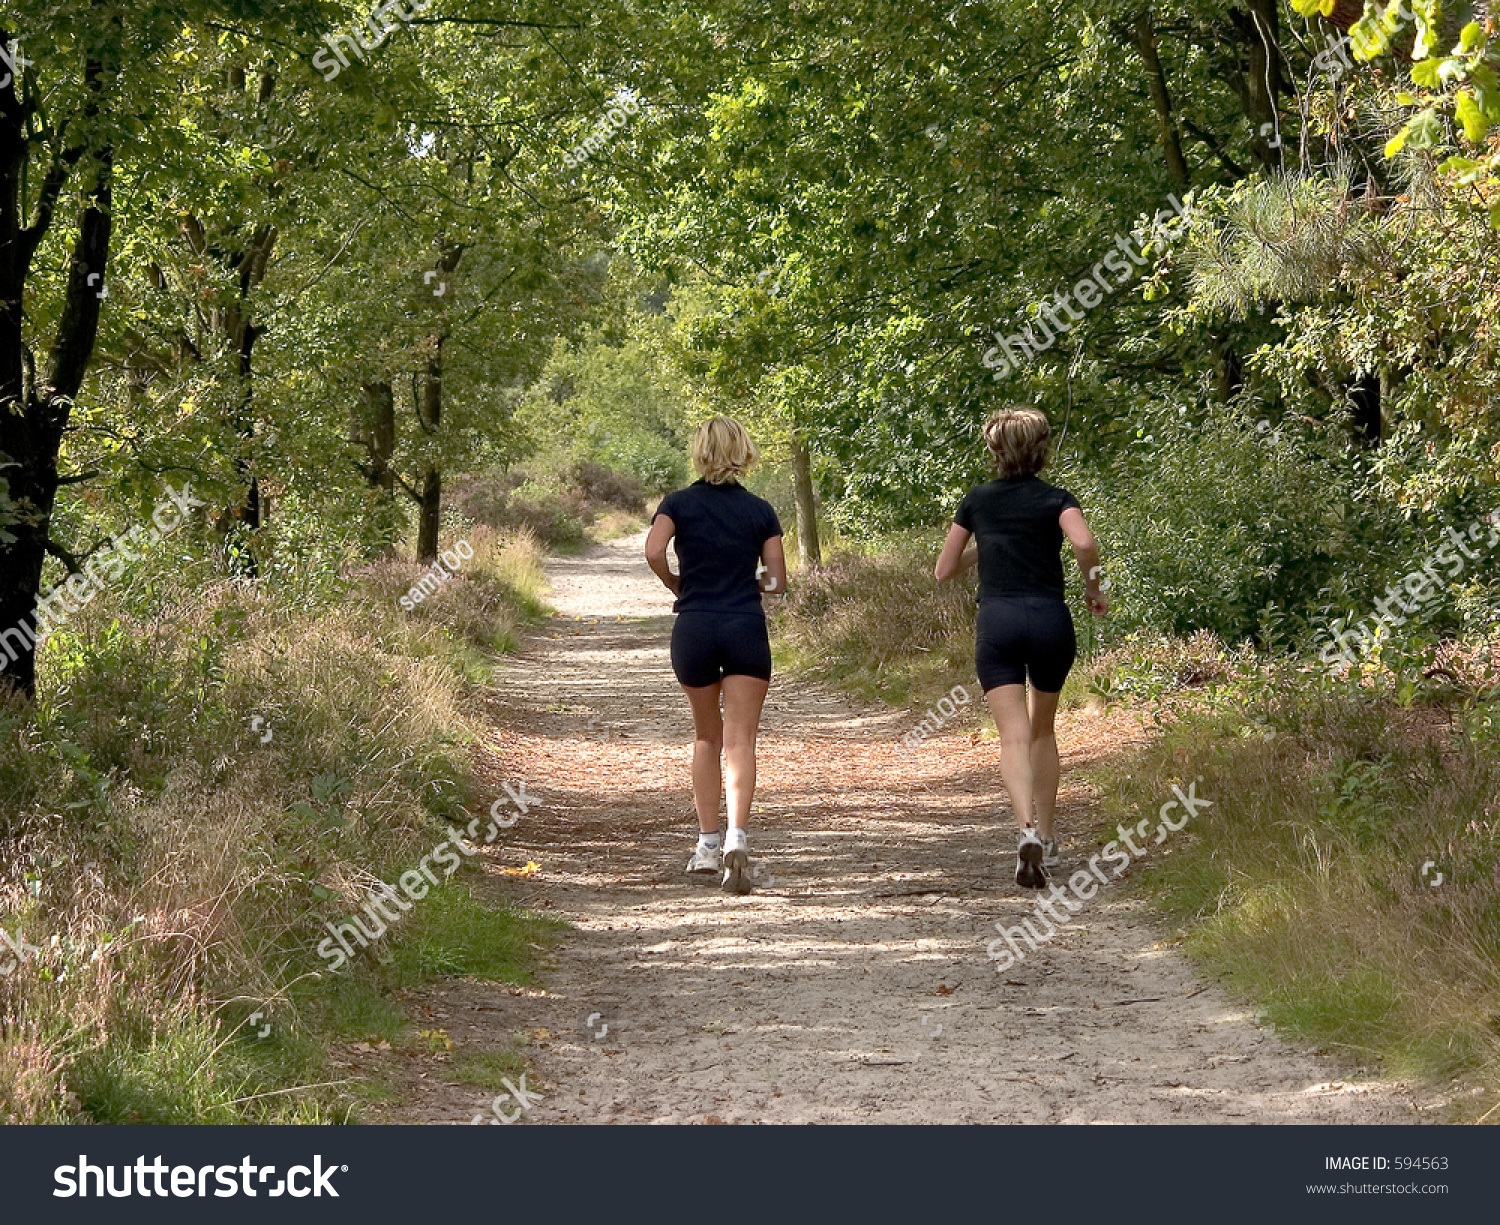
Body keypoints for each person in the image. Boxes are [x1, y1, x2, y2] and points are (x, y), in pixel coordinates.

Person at [934, 407, 1108, 888]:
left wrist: (988, 545)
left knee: (1011, 735)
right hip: (1050, 619)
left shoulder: (977, 501)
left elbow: (943, 569)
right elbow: (1085, 542)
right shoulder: (1057, 498)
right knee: (1042, 733)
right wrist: (1094, 588)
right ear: (1041, 449)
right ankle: (1048, 839)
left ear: (994, 451)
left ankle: (1024, 831)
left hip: (999, 622)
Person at [645, 417, 787, 894]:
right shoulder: (760, 511)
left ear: (699, 452)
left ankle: (706, 846)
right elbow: (776, 581)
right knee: (741, 738)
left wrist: (675, 582)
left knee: (707, 736)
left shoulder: (678, 504)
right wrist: (753, 587)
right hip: (744, 627)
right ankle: (736, 838)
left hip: (695, 627)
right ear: (741, 452)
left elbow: (652, 549)